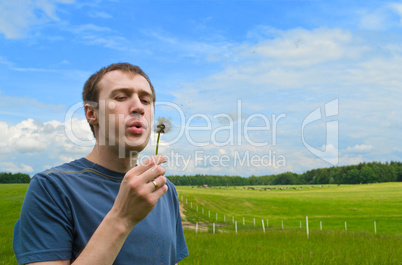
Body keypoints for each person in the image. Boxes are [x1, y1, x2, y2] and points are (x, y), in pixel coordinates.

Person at [13, 63, 189, 265]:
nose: (139, 107)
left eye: (146, 100)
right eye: (121, 97)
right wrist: (122, 218)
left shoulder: (164, 190)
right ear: (91, 114)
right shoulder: (51, 188)